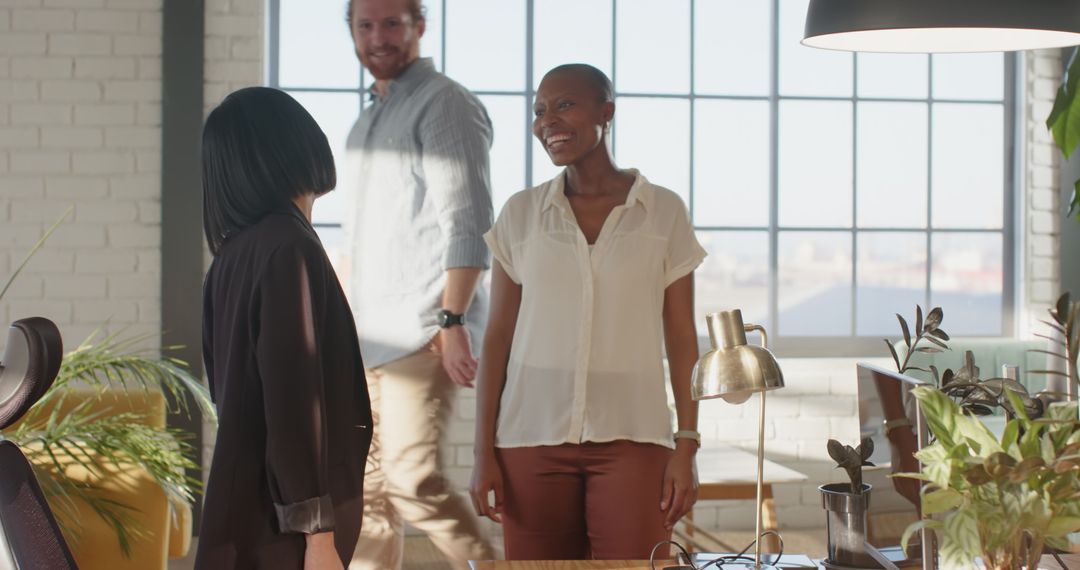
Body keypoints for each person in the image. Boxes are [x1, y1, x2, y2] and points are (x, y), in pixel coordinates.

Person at [469, 63, 706, 560]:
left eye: (564, 105)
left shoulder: (663, 212)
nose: (547, 121)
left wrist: (687, 445)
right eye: (539, 110)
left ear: (607, 112)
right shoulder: (520, 213)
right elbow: (497, 338)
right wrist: (482, 451)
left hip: (634, 436)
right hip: (529, 437)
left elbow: (682, 337)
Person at [343, 0, 496, 568]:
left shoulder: (444, 104)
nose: (377, 37)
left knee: (411, 479)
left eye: (391, 23)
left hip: (421, 328)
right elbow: (365, 238)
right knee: (367, 490)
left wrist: (452, 321)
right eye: (365, 25)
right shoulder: (368, 119)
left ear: (419, 26)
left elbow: (470, 223)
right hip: (365, 335)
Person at [196, 87, 372, 570]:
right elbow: (295, 404)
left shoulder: (231, 257)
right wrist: (317, 536)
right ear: (293, 146)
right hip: (280, 533)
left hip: (245, 508)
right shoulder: (288, 248)